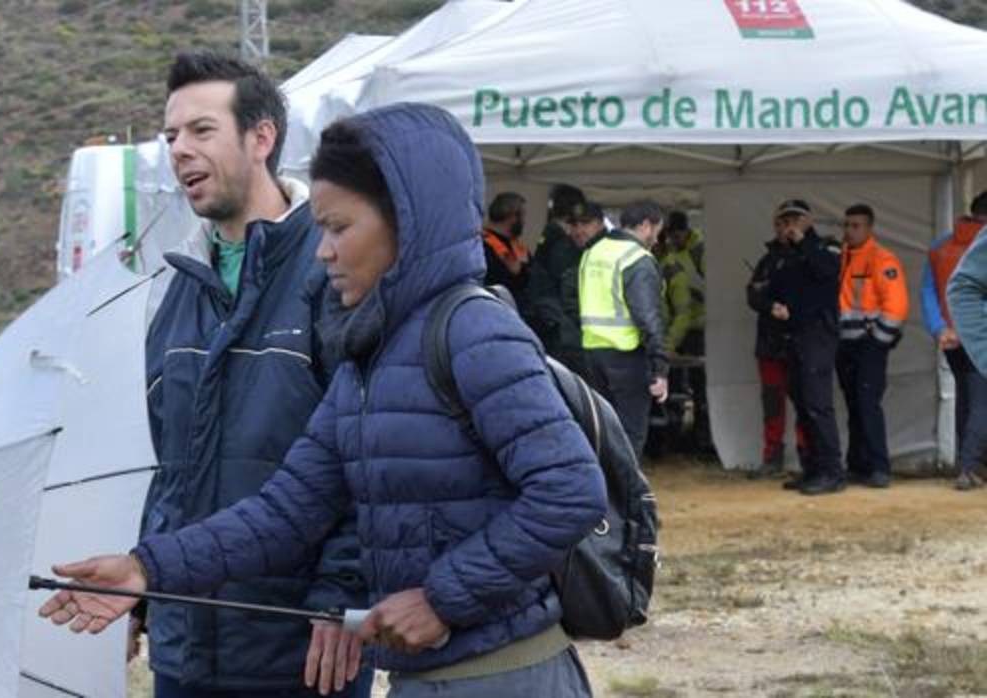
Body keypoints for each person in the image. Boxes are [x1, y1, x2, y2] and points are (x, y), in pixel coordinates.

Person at [39, 103, 608, 698]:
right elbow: (287, 510)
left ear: (407, 224)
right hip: (426, 680)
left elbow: (570, 492)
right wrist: (146, 568)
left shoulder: (474, 333)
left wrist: (443, 597)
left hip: (508, 678)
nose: (322, 251)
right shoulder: (368, 357)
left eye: (339, 228)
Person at [139, 52, 368, 698]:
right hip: (186, 648)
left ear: (261, 138)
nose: (179, 151)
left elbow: (369, 455)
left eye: (201, 131)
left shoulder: (332, 276)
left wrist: (345, 594)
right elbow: (170, 469)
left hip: (300, 644)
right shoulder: (179, 291)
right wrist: (145, 579)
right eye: (171, 136)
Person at [579, 200, 669, 460]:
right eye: (657, 231)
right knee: (630, 435)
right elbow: (648, 318)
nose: (656, 239)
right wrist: (660, 368)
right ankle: (629, 498)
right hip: (626, 356)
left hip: (592, 354)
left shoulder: (592, 252)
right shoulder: (637, 259)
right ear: (645, 225)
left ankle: (606, 495)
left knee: (602, 433)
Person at [768, 199, 844, 495]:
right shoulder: (781, 255)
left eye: (795, 219)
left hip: (819, 335)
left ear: (808, 220)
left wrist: (803, 243)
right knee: (802, 404)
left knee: (818, 404)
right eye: (785, 220)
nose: (790, 225)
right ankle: (812, 468)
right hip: (792, 336)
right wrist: (773, 306)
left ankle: (832, 471)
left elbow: (828, 271)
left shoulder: (826, 246)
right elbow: (769, 289)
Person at [835, 204, 909, 488]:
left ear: (869, 228)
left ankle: (879, 467)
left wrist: (878, 342)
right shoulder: (841, 257)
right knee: (854, 406)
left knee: (867, 405)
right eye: (847, 225)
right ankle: (858, 464)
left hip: (868, 345)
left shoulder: (881, 259)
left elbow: (896, 306)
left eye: (856, 225)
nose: (850, 230)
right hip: (844, 344)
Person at [746, 214, 807, 477]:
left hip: (802, 342)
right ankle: (772, 457)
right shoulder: (767, 261)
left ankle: (809, 458)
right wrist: (771, 306)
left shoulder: (811, 257)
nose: (785, 230)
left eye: (790, 224)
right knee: (772, 402)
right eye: (780, 225)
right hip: (770, 343)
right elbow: (752, 294)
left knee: (806, 402)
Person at [943, 191, 987, 489]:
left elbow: (930, 294)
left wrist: (939, 327)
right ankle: (969, 465)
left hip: (956, 334)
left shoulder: (940, 247)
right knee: (979, 405)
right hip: (968, 334)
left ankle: (968, 464)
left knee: (970, 404)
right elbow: (961, 289)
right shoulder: (945, 248)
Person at [527, 184, 587, 366]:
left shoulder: (549, 236)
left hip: (549, 319)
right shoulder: (561, 244)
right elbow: (567, 283)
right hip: (560, 326)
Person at [557, 201, 608, 378]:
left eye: (585, 223)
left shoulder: (608, 252)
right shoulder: (569, 252)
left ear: (600, 224)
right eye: (574, 225)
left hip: (605, 349)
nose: (578, 231)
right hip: (580, 347)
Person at [658, 211, 706, 357]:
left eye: (677, 236)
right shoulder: (669, 252)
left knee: (697, 374)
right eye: (670, 237)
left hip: (698, 325)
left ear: (686, 231)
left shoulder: (700, 251)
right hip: (677, 325)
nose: (673, 240)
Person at [482, 192, 531, 299]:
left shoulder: (518, 247)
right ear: (513, 217)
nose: (525, 222)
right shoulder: (483, 247)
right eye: (523, 216)